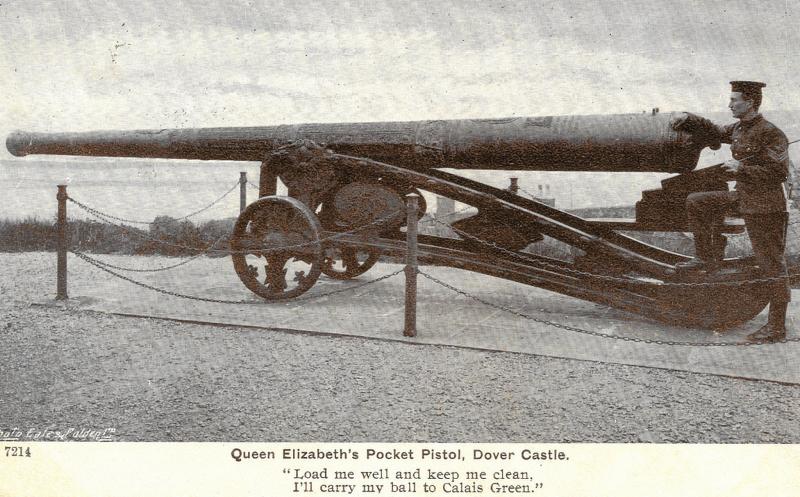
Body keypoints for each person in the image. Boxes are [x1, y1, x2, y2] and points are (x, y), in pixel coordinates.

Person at [671, 81, 791, 343]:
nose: (729, 104)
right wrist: (689, 118)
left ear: (750, 102)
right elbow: (714, 131)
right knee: (698, 201)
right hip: (743, 197)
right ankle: (706, 257)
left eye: (734, 100)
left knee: (771, 263)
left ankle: (776, 327)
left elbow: (778, 173)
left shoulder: (772, 133)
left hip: (766, 206)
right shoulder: (738, 128)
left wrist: (741, 170)